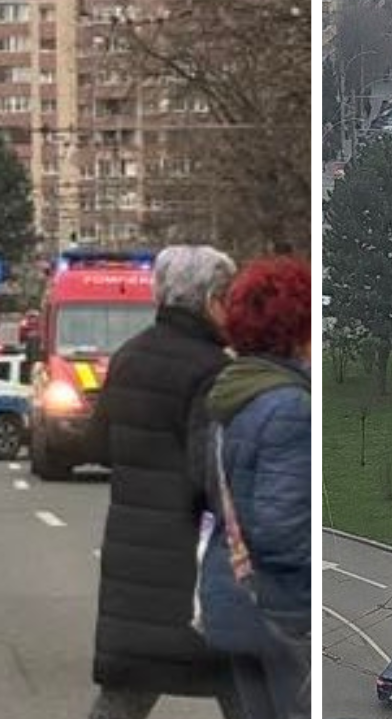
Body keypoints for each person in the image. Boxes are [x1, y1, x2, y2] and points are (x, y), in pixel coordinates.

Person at [87, 245, 244, 719]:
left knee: (127, 692)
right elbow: (210, 477)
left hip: (134, 565)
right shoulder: (213, 371)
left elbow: (96, 446)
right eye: (227, 297)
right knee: (247, 685)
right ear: (209, 300)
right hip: (194, 571)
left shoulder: (128, 358)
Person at [198, 255, 312, 718]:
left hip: (232, 599)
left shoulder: (232, 394)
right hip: (279, 615)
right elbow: (282, 533)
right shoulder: (287, 406)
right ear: (295, 329)